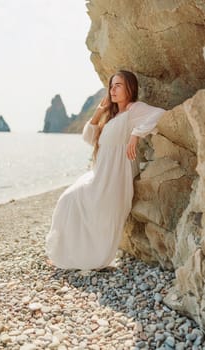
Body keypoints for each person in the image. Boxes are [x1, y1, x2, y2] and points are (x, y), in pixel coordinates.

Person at [45, 70, 165, 270]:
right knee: (68, 200)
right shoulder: (112, 115)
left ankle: (92, 259)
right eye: (111, 86)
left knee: (94, 213)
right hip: (99, 174)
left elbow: (159, 114)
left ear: (130, 87)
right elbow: (88, 138)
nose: (113, 89)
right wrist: (99, 112)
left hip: (115, 177)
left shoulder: (134, 109)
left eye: (118, 85)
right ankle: (68, 254)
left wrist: (136, 134)